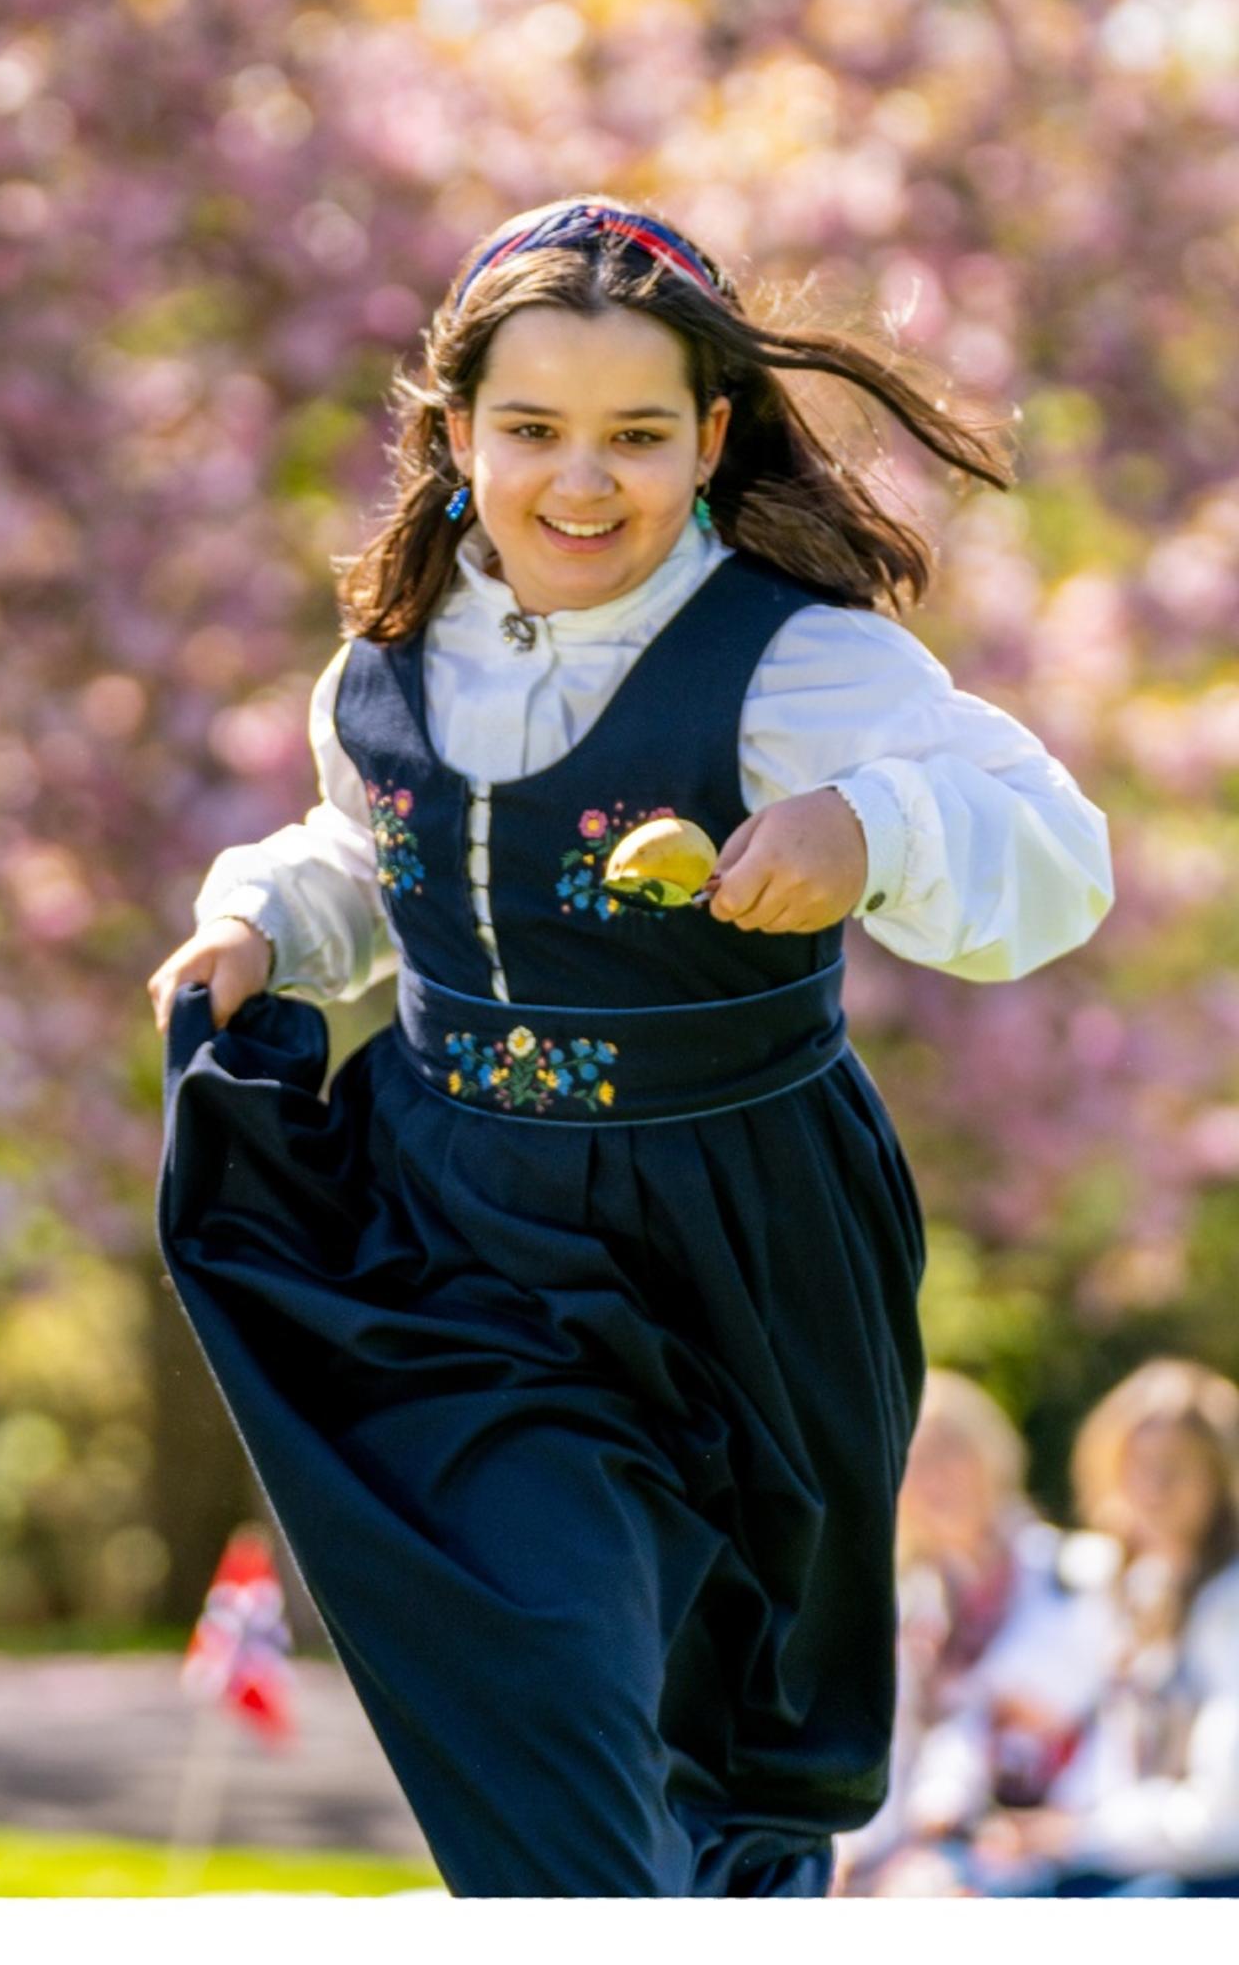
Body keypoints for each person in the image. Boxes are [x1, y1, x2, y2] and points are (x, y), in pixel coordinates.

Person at [144, 196, 1115, 1895]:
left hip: (744, 1228)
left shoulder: (797, 661)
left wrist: (870, 828)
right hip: (462, 1234)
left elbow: (1057, 860)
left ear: (711, 438)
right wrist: (260, 925)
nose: (579, 484)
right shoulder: (379, 670)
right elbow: (375, 856)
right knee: (556, 1651)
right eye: (531, 431)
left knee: (740, 1749)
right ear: (453, 436)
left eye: (635, 437)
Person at [840, 1370, 1108, 1892]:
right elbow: (889, 1754)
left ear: (991, 1458)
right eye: (913, 1463)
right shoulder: (905, 1606)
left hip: (1062, 1837)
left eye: (948, 1453)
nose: (933, 1479)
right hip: (937, 1849)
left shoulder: (1077, 1573)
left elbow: (1042, 1710)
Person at [982, 1359, 1239, 1894]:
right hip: (1124, 1853)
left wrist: (1080, 1834)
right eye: (1136, 1464)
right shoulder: (1125, 1584)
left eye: (1176, 1466)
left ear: (1220, 1474)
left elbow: (1221, 1821)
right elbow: (1017, 1705)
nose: (1153, 1486)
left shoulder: (1227, 1601)